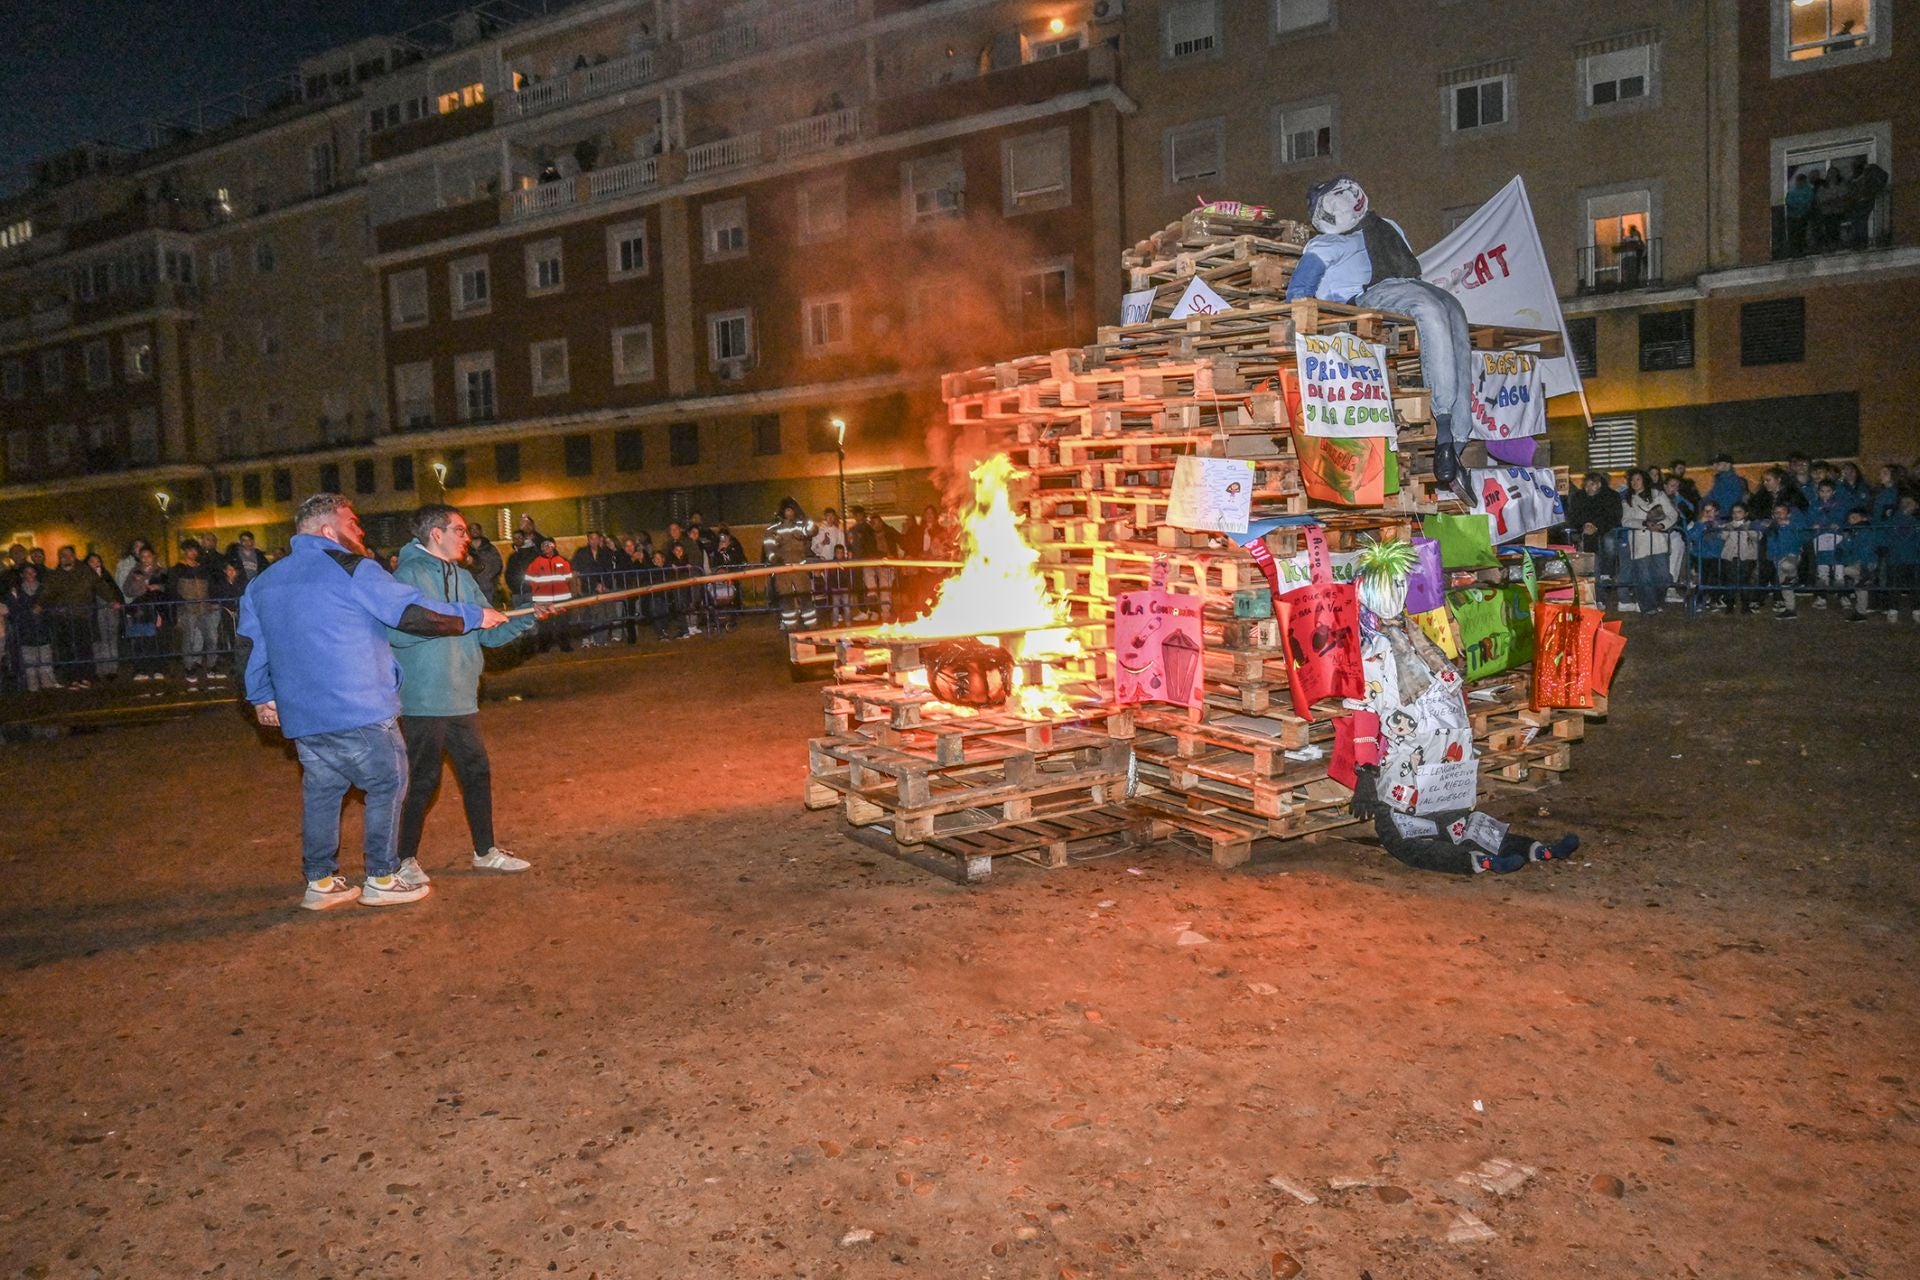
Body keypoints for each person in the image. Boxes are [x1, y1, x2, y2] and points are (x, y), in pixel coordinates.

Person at [239, 493, 507, 911]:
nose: (360, 531)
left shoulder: (265, 581)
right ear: (329, 530)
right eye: (352, 523)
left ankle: (321, 881)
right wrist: (473, 616)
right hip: (358, 704)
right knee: (388, 783)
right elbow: (411, 612)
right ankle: (382, 876)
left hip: (303, 713)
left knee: (323, 791)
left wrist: (260, 695)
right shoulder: (353, 569)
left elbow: (251, 643)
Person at [1286, 176, 1474, 485]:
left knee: (1453, 311)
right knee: (1430, 310)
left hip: (1403, 284)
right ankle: (1443, 422)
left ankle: (1458, 436)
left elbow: (1409, 270)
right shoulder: (1326, 244)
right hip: (1362, 298)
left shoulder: (1386, 227)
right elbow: (1299, 292)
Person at [388, 504, 540, 886]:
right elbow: (402, 630)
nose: (466, 537)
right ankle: (403, 859)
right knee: (422, 780)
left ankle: (485, 851)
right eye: (458, 530)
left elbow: (487, 631)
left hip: (461, 695)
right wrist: (466, 616)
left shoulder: (462, 577)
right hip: (424, 697)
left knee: (476, 773)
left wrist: (526, 618)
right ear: (435, 534)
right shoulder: (407, 576)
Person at [1620, 468, 1678, 615]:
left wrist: (1662, 525)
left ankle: (1657, 601)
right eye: (1632, 480)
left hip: (1658, 539)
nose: (1635, 483)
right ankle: (1648, 607)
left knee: (1663, 575)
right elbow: (1626, 520)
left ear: (1644, 480)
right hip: (1639, 542)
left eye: (1638, 479)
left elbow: (1672, 514)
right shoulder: (1628, 500)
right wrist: (1644, 524)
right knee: (1643, 577)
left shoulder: (1658, 495)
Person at [169, 541, 220, 685]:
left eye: (195, 550)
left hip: (205, 607)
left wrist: (212, 603)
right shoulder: (177, 569)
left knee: (211, 638)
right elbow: (172, 590)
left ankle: (211, 665)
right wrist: (182, 604)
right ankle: (189, 667)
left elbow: (211, 588)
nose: (193, 553)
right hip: (188, 609)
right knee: (189, 639)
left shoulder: (203, 569)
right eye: (190, 550)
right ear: (184, 551)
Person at [765, 497, 817, 631]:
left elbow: (813, 530)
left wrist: (805, 517)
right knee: (786, 598)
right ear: (783, 511)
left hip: (799, 566)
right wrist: (774, 559)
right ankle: (790, 626)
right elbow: (768, 547)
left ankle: (811, 624)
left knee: (805, 596)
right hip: (782, 569)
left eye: (792, 509)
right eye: (788, 509)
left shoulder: (800, 525)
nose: (790, 512)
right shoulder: (774, 528)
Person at [4, 566, 54, 692]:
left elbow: (50, 603)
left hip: (42, 626)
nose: (30, 575)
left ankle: (47, 684)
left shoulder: (44, 588)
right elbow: (13, 609)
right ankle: (33, 686)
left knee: (45, 656)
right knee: (29, 659)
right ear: (22, 575)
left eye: (32, 572)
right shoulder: (17, 591)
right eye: (27, 572)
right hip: (26, 628)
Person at [525, 534, 575, 652]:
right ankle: (544, 646)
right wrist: (537, 589)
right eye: (543, 545)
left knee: (562, 623)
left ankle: (565, 645)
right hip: (543, 598)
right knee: (544, 624)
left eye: (548, 544)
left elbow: (568, 576)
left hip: (562, 598)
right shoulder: (536, 562)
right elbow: (529, 578)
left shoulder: (562, 561)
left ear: (554, 546)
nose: (546, 547)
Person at [1763, 502, 1811, 619]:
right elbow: (1769, 541)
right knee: (1785, 584)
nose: (1778, 515)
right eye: (1776, 513)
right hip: (1777, 557)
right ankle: (1790, 609)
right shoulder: (1773, 528)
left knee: (1788, 566)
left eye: (1782, 512)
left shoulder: (1794, 524)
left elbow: (1805, 533)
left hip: (1792, 554)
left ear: (1789, 514)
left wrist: (1790, 524)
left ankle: (1794, 576)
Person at [84, 551, 124, 681]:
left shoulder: (106, 576)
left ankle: (112, 669)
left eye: (98, 561)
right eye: (92, 561)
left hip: (110, 612)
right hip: (95, 613)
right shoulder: (84, 579)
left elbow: (115, 592)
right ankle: (100, 669)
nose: (96, 564)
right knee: (98, 641)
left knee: (111, 639)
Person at [1718, 502, 1763, 615]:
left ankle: (1745, 605)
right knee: (1730, 581)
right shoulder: (1729, 525)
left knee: (1745, 581)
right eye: (1734, 512)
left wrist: (1749, 529)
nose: (1736, 515)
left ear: (1746, 513)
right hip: (1731, 556)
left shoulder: (1751, 525)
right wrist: (1726, 529)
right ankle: (1729, 605)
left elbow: (1758, 537)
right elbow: (1722, 537)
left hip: (1747, 557)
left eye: (1739, 512)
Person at [467, 523, 504, 604]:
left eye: (476, 529)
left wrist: (490, 578)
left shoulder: (490, 548)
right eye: (472, 529)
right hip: (470, 587)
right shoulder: (465, 549)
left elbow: (498, 565)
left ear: (480, 531)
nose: (474, 531)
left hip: (487, 587)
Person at [503, 530, 539, 607]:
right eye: (515, 538)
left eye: (520, 537)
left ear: (524, 538)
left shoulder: (533, 554)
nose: (517, 540)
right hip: (516, 592)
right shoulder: (513, 557)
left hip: (531, 592)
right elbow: (508, 574)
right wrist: (513, 587)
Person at [1784, 172, 1815, 257]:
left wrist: (1799, 205)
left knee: (1802, 233)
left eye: (1801, 181)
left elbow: (1807, 202)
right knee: (1794, 234)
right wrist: (1797, 205)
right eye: (1798, 181)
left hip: (1803, 215)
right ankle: (1794, 250)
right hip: (1793, 216)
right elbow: (1788, 201)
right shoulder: (1792, 191)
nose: (1799, 183)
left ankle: (1802, 248)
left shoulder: (1808, 191)